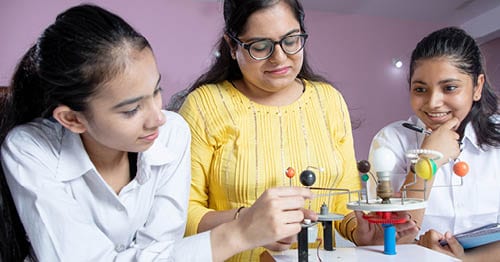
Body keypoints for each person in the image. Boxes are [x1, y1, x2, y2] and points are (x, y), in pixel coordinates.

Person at [0, 4, 317, 261]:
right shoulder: (29, 149)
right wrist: (239, 232)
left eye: (156, 91)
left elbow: (163, 251)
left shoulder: (171, 134)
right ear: (71, 119)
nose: (157, 118)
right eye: (130, 110)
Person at [168, 0, 417, 260]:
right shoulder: (204, 106)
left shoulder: (329, 101)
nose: (279, 58)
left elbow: (342, 201)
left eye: (290, 40)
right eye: (260, 47)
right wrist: (246, 223)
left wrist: (361, 231)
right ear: (232, 46)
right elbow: (180, 216)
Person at [367, 27, 500, 260]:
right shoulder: (391, 141)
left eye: (449, 88)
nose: (433, 102)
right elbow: (392, 238)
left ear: (477, 86)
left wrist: (464, 259)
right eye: (420, 89)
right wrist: (428, 160)